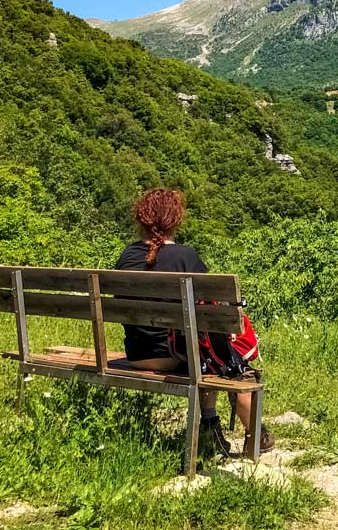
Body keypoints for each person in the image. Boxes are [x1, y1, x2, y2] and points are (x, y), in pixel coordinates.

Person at [115, 188, 273, 459]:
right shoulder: (185, 257)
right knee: (221, 356)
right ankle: (251, 434)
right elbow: (209, 308)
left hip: (138, 356)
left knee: (200, 348)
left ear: (141, 220)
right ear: (176, 220)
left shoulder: (126, 257)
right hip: (175, 357)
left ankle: (211, 425)